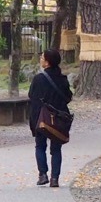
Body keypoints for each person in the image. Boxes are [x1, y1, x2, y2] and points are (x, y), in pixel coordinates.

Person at [27, 49, 73, 188]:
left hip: (42, 117)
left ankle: (43, 175)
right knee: (56, 149)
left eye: (42, 57)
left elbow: (31, 96)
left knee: (40, 146)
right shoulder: (63, 79)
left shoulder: (39, 79)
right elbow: (68, 97)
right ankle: (55, 178)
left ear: (47, 62)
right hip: (58, 119)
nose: (40, 59)